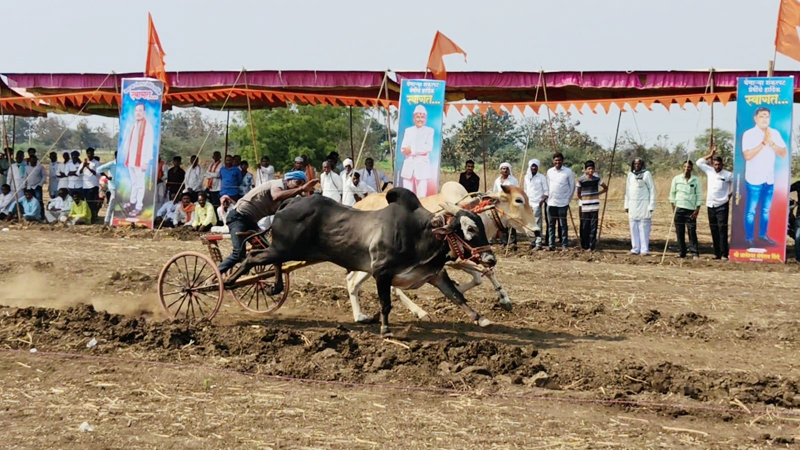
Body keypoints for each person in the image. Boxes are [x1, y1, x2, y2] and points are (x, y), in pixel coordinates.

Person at [217, 170, 317, 275]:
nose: (299, 186)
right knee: (238, 254)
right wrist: (301, 189)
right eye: (298, 182)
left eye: (302, 183)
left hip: (251, 222)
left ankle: (245, 268)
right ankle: (214, 276)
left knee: (269, 252)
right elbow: (276, 196)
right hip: (238, 217)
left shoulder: (289, 195)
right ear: (288, 180)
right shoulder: (277, 184)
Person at [741, 107, 788, 247]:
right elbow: (747, 156)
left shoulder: (774, 133)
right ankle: (749, 237)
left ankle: (762, 235)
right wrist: (763, 142)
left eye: (767, 116)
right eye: (762, 116)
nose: (765, 119)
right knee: (751, 210)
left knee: (766, 210)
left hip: (769, 178)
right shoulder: (748, 134)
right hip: (754, 178)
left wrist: (771, 142)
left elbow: (783, 153)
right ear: (755, 118)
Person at [696, 145, 733, 259]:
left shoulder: (728, 174)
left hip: (722, 204)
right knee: (713, 229)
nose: (717, 166)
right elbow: (699, 162)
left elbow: (738, 184)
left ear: (722, 165)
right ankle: (717, 253)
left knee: (722, 229)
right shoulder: (710, 171)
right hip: (710, 204)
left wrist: (730, 195)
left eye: (719, 165)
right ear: (713, 164)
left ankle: (724, 254)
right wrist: (710, 155)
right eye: (715, 164)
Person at [120, 103, 155, 216]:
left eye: (140, 111)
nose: (138, 113)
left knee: (140, 184)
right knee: (134, 183)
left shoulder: (147, 126)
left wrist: (146, 161)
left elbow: (149, 145)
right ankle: (132, 201)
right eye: (136, 111)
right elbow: (129, 143)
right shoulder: (134, 125)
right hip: (132, 159)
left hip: (141, 161)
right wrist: (127, 158)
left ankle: (139, 206)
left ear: (144, 113)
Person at [669, 160, 703, 259]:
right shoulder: (677, 179)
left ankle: (694, 253)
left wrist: (697, 209)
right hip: (679, 208)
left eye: (688, 167)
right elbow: (672, 194)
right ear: (682, 167)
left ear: (691, 168)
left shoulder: (696, 180)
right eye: (685, 166)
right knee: (680, 231)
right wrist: (673, 208)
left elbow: (699, 195)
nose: (686, 168)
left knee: (692, 231)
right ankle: (681, 252)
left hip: (691, 210)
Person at [399, 105, 434, 197]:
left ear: (425, 119)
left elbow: (428, 148)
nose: (420, 119)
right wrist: (418, 149)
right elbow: (403, 149)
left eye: (422, 117)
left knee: (421, 196)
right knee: (406, 195)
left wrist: (412, 149)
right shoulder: (408, 131)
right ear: (414, 118)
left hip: (422, 167)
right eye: (418, 117)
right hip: (408, 166)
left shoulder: (429, 131)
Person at [624, 158, 656, 256]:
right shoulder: (630, 175)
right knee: (633, 227)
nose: (637, 165)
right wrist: (626, 204)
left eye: (639, 164)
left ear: (642, 165)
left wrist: (651, 205)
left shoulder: (647, 174)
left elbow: (652, 190)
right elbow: (627, 191)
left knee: (644, 227)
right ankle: (635, 248)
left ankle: (644, 250)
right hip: (633, 205)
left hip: (644, 205)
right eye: (635, 164)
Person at [546, 152, 576, 251]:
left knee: (563, 225)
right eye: (556, 160)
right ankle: (551, 245)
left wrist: (568, 199)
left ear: (562, 161)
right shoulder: (550, 171)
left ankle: (564, 245)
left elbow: (572, 187)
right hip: (551, 202)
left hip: (563, 202)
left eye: (559, 160)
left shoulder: (568, 172)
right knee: (551, 225)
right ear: (553, 161)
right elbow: (547, 185)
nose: (557, 162)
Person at [576, 161, 608, 251]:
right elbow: (578, 193)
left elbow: (605, 188)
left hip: (594, 206)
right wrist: (584, 199)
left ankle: (592, 246)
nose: (591, 170)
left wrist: (597, 194)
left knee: (593, 227)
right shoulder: (581, 180)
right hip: (585, 207)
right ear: (585, 170)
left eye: (592, 169)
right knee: (585, 226)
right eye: (589, 169)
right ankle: (584, 245)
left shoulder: (597, 179)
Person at [493, 162, 520, 245]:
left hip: (510, 203)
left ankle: (512, 242)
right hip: (500, 204)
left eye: (506, 169)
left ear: (509, 170)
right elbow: (495, 191)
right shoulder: (497, 180)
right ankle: (504, 241)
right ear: (500, 170)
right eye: (503, 169)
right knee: (502, 223)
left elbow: (516, 192)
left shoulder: (513, 180)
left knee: (511, 223)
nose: (505, 170)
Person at [523, 158, 548, 249]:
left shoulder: (541, 177)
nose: (534, 168)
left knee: (537, 223)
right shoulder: (526, 177)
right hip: (528, 203)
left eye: (535, 166)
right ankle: (532, 242)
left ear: (538, 167)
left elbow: (546, 191)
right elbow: (525, 190)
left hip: (537, 203)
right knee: (529, 222)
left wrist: (542, 200)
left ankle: (538, 243)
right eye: (532, 166)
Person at [78, 148, 100, 222]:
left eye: (91, 153)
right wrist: (84, 166)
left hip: (93, 185)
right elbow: (78, 173)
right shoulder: (83, 163)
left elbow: (97, 174)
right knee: (86, 202)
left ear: (93, 154)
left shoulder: (96, 163)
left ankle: (93, 217)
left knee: (92, 202)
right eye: (88, 153)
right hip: (85, 186)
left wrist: (88, 168)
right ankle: (89, 217)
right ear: (87, 154)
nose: (90, 155)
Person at [96, 154, 117, 226]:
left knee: (116, 204)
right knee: (112, 203)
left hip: (121, 187)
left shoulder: (123, 164)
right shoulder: (111, 164)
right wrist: (107, 177)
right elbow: (98, 169)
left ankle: (112, 221)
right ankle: (107, 221)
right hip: (113, 186)